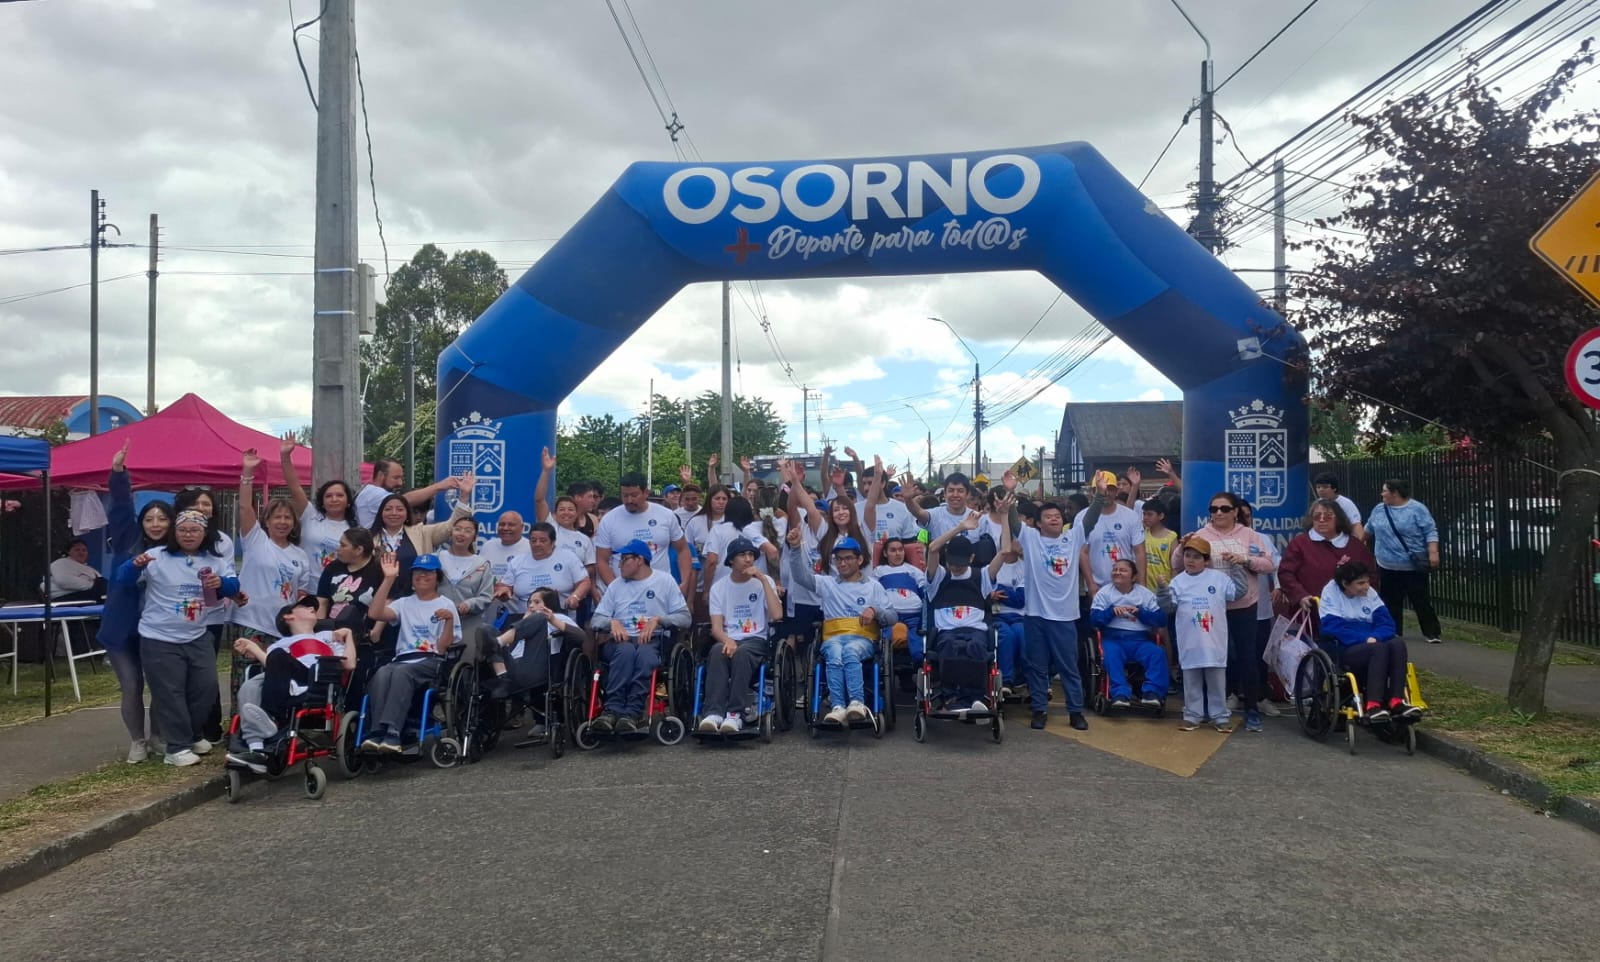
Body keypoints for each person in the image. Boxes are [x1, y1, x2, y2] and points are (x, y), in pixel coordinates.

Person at [116, 509, 241, 766]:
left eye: (195, 530)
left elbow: (234, 587)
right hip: (159, 637)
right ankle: (176, 748)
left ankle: (191, 735)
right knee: (170, 693)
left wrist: (221, 584)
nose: (188, 534)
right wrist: (133, 566)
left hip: (197, 634)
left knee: (205, 688)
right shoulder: (156, 556)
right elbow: (123, 579)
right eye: (183, 530)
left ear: (204, 533)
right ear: (174, 532)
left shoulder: (214, 560)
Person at [225, 598, 357, 773]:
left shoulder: (327, 637)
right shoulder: (280, 644)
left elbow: (350, 664)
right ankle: (256, 750)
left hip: (316, 681)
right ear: (288, 616)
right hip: (285, 683)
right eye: (304, 606)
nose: (312, 608)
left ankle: (271, 718)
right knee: (250, 686)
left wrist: (348, 635)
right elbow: (273, 667)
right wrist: (253, 648)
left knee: (277, 658)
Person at [101, 441, 172, 762]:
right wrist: (119, 473)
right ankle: (137, 741)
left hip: (156, 629)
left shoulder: (175, 552)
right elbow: (120, 506)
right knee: (131, 685)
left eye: (162, 519)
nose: (155, 524)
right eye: (150, 519)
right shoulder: (127, 540)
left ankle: (157, 736)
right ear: (141, 522)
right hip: (120, 628)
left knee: (158, 685)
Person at [783, 531, 897, 725]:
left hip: (863, 639)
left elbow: (893, 617)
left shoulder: (873, 586)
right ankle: (838, 706)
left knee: (850, 651)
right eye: (838, 559)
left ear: (860, 560)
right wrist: (795, 549)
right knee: (835, 653)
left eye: (848, 558)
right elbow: (801, 577)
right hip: (833, 639)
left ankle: (856, 703)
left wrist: (875, 611)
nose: (842, 563)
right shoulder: (827, 583)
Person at [1192, 491, 1277, 733]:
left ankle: (1252, 709)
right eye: (1214, 509)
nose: (1219, 513)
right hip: (1211, 605)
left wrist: (1245, 560)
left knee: (1247, 657)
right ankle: (1211, 707)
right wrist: (1181, 548)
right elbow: (1180, 563)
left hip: (1244, 605)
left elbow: (1269, 564)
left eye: (1225, 509)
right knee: (1212, 656)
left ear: (1236, 511)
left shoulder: (1249, 535)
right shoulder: (1201, 535)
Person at [588, 539, 691, 732]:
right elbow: (596, 620)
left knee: (644, 656)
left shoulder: (665, 581)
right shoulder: (616, 586)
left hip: (653, 641)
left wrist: (659, 619)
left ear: (640, 560)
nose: (619, 565)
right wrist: (611, 622)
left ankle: (632, 713)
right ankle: (612, 711)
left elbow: (685, 618)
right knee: (625, 652)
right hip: (621, 641)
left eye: (624, 559)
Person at [361, 553, 460, 752]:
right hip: (403, 659)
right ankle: (377, 731)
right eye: (418, 572)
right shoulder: (404, 603)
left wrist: (449, 620)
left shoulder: (446, 604)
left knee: (401, 672)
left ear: (437, 577)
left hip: (432, 660)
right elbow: (375, 613)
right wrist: (389, 579)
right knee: (382, 673)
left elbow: (443, 648)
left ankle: (393, 732)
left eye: (428, 572)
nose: (422, 576)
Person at [924, 499, 1013, 712]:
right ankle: (952, 697)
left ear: (971, 558)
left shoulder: (982, 576)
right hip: (947, 632)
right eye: (952, 562)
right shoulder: (939, 577)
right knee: (951, 648)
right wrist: (960, 527)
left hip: (975, 631)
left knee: (975, 648)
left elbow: (1005, 551)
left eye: (961, 563)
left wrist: (1004, 516)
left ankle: (973, 699)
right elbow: (933, 548)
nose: (955, 566)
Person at [1013, 496, 1090, 731]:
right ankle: (1039, 710)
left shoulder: (1073, 537)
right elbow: (1014, 523)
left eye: (1057, 516)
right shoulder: (1031, 539)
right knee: (1037, 666)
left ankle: (1075, 711)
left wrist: (1098, 495)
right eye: (1048, 516)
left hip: (1065, 616)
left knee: (1068, 667)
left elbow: (1092, 518)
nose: (1054, 519)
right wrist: (1009, 498)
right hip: (1035, 615)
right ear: (1038, 523)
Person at [233, 450, 318, 646]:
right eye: (277, 517)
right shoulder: (255, 540)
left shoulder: (300, 555)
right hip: (252, 622)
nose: (282, 522)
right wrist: (247, 472)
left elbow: (301, 594)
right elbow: (245, 507)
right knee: (250, 667)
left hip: (284, 627)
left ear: (294, 523)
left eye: (287, 517)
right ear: (267, 521)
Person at [1318, 561, 1421, 722]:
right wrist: (1364, 639)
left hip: (1372, 642)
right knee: (1378, 649)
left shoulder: (1370, 593)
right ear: (1345, 584)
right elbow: (1333, 627)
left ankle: (1396, 701)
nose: (1367, 586)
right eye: (1361, 583)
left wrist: (1376, 637)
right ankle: (1373, 705)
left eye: (1367, 581)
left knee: (1397, 644)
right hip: (1344, 648)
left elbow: (1387, 623)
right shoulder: (1331, 592)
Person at [700, 536, 784, 733]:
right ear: (731, 560)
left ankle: (735, 714)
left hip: (756, 639)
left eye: (750, 555)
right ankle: (714, 713)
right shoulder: (719, 588)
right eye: (742, 555)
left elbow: (777, 615)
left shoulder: (764, 582)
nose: (748, 559)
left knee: (742, 653)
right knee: (717, 651)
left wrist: (762, 579)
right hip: (729, 637)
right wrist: (727, 640)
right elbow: (716, 628)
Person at [1168, 536, 1247, 732]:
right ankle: (1192, 716)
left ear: (1206, 561)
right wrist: (1162, 591)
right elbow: (1167, 607)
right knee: (1191, 681)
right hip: (1190, 642)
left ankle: (1220, 717)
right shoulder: (1178, 581)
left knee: (1217, 683)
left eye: (1197, 557)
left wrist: (1236, 567)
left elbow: (1239, 592)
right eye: (1187, 555)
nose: (1191, 560)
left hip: (1214, 642)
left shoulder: (1218, 579)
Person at [594, 472, 693, 602]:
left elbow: (683, 550)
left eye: (634, 495)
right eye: (625, 496)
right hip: (625, 595)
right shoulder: (609, 519)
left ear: (646, 492)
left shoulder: (666, 515)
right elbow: (602, 560)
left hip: (660, 592)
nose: (629, 500)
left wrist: (685, 582)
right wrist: (615, 589)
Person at [1368, 478, 1442, 644]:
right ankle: (1393, 630)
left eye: (1385, 490)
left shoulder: (1417, 509)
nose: (1382, 494)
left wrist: (1433, 552)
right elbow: (1368, 529)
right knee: (1390, 599)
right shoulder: (1379, 509)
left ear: (1395, 493)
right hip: (1386, 564)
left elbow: (1430, 531)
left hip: (1412, 565)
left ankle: (1432, 632)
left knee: (1420, 599)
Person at [1088, 558, 1169, 708]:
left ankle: (1152, 693)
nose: (1117, 572)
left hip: (1141, 640)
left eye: (1123, 570)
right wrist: (1111, 611)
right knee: (1111, 655)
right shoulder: (1104, 593)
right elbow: (1094, 620)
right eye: (1115, 569)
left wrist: (1140, 613)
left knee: (1157, 653)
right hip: (1113, 638)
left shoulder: (1144, 594)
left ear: (1133, 577)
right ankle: (1119, 693)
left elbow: (1161, 620)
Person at [1276, 499, 1379, 616]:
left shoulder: (1356, 546)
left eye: (1328, 516)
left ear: (1338, 519)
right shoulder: (1299, 544)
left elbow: (1371, 575)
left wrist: (1364, 595)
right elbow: (1286, 573)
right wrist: (1300, 595)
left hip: (1353, 611)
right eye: (1317, 516)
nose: (1322, 520)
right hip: (1311, 609)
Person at [277, 434, 354, 570]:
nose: (334, 499)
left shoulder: (355, 527)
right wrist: (285, 457)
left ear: (348, 501)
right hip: (306, 582)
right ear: (322, 501)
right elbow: (294, 487)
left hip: (340, 583)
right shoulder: (311, 515)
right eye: (328, 496)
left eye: (339, 495)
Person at [1078, 473, 1147, 596]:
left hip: (1127, 587)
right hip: (1097, 587)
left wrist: (1141, 584)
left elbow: (1139, 552)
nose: (1106, 493)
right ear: (1092, 492)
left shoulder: (1130, 516)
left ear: (1116, 491)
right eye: (1100, 489)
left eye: (1110, 489)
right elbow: (1082, 552)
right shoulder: (1082, 517)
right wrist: (1090, 584)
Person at [505, 522, 591, 618]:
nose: (537, 544)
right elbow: (505, 585)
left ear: (553, 542)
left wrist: (575, 597)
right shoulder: (517, 561)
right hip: (525, 617)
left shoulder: (568, 557)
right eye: (533, 540)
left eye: (543, 541)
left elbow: (584, 582)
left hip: (560, 617)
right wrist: (504, 590)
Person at [700, 495, 778, 597]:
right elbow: (773, 553)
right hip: (754, 586)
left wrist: (706, 589)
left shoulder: (718, 530)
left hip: (723, 588)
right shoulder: (758, 529)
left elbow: (711, 561)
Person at [873, 536, 927, 681]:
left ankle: (919, 665)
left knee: (918, 647)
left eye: (900, 550)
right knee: (885, 638)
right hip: (890, 615)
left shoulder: (913, 570)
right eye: (893, 550)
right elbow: (872, 592)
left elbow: (925, 591)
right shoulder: (879, 571)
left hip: (914, 614)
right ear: (885, 553)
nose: (897, 553)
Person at [353, 458, 462, 529]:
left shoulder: (369, 491)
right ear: (381, 475)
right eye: (396, 478)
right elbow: (404, 500)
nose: (400, 483)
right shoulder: (373, 493)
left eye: (401, 478)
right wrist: (440, 486)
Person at [435, 516, 496, 639]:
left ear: (475, 537)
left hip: (468, 625)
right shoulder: (436, 558)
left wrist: (470, 604)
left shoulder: (482, 564)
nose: (461, 534)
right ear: (451, 533)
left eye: (468, 531)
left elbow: (486, 597)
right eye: (458, 529)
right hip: (437, 622)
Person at [989, 539, 1028, 696]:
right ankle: (1006, 681)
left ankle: (1026, 679)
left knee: (1022, 634)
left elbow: (1020, 599)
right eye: (1017, 539)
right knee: (1007, 636)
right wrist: (1007, 592)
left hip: (1019, 616)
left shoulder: (1026, 567)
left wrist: (998, 589)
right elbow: (984, 591)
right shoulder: (993, 566)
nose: (1021, 542)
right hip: (997, 616)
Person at [480, 510, 531, 622]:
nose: (506, 528)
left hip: (520, 613)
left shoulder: (529, 548)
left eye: (511, 525)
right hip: (490, 613)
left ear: (522, 527)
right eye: (502, 524)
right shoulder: (488, 546)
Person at [1312, 471, 1366, 542]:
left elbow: (1356, 525)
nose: (1321, 490)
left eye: (1325, 487)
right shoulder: (1316, 504)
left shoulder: (1346, 503)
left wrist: (1360, 544)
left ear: (1334, 488)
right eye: (1318, 487)